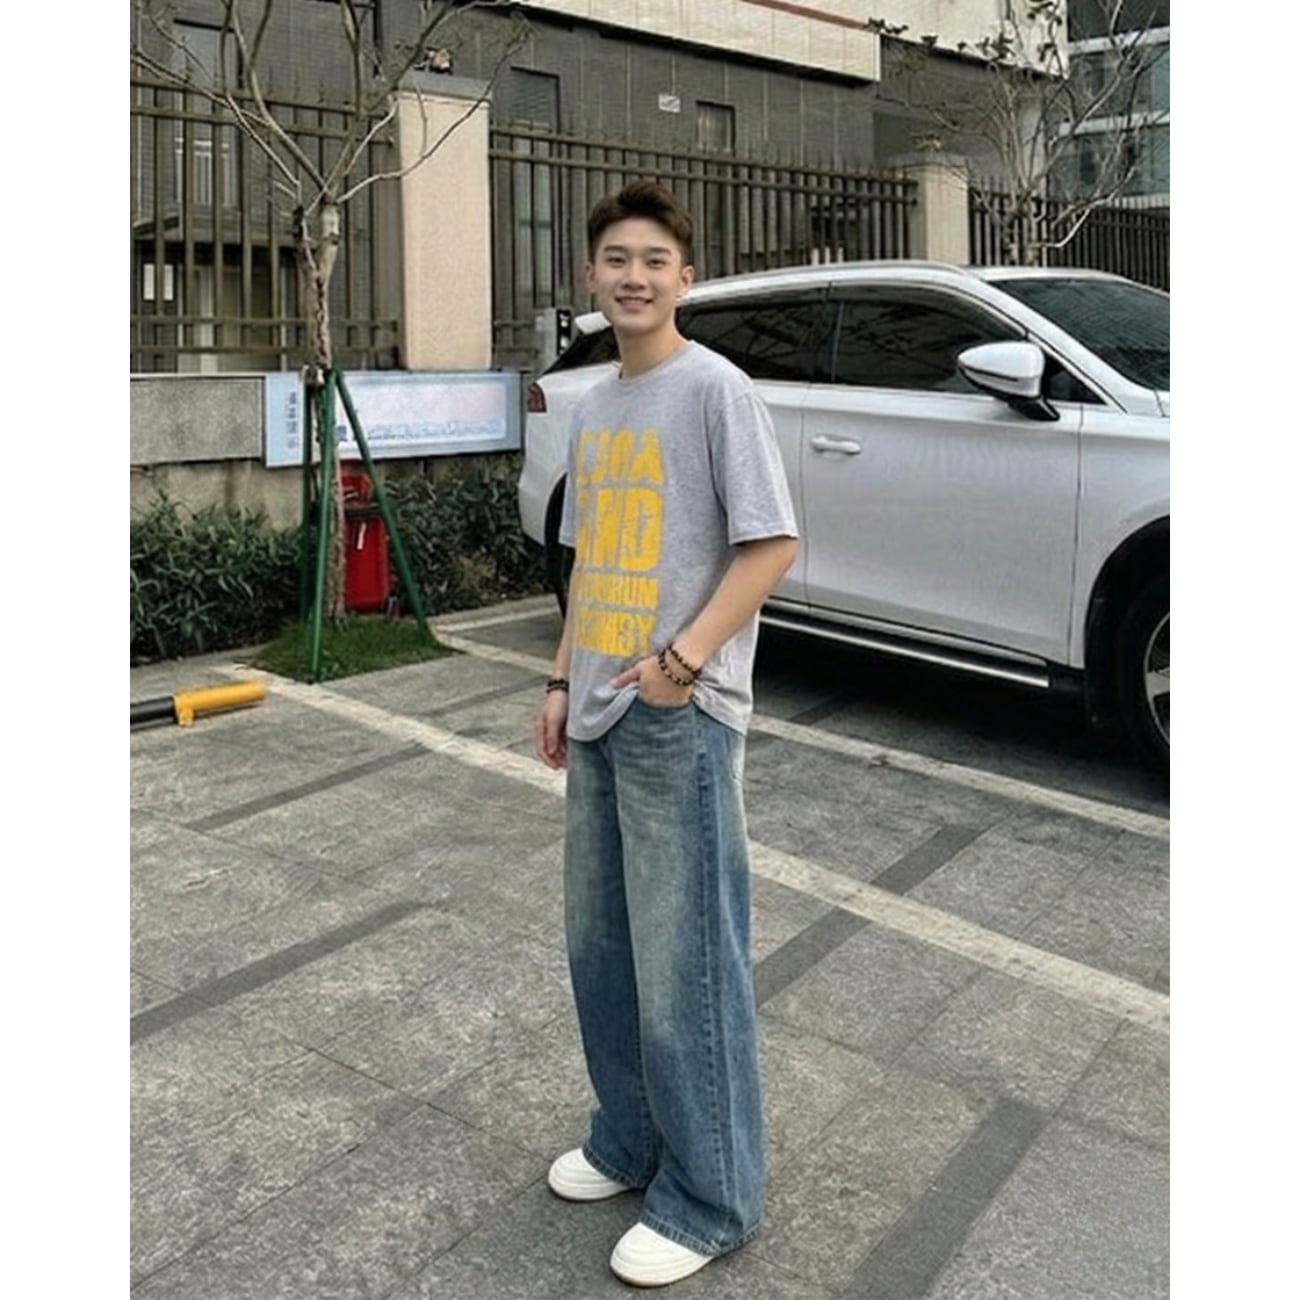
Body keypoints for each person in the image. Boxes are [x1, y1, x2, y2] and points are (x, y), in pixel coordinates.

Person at [533, 179, 799, 1288]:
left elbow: (770, 544)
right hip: (599, 705)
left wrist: (681, 664)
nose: (633, 276)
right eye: (616, 259)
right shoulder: (597, 406)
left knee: (687, 959)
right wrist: (560, 679)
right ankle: (630, 1139)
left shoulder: (715, 390)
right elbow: (593, 555)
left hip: (676, 714)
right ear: (590, 276)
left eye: (654, 260)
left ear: (685, 278)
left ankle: (712, 1194)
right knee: (602, 948)